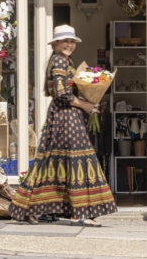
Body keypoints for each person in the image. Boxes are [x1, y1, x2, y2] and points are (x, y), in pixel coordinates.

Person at [9, 25, 117, 226]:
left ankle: (30, 209)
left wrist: (87, 99)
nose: (69, 44)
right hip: (66, 117)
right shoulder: (59, 60)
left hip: (63, 116)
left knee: (52, 161)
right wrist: (85, 105)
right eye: (65, 41)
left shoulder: (63, 60)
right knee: (77, 160)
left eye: (72, 41)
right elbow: (62, 93)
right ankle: (77, 214)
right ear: (56, 44)